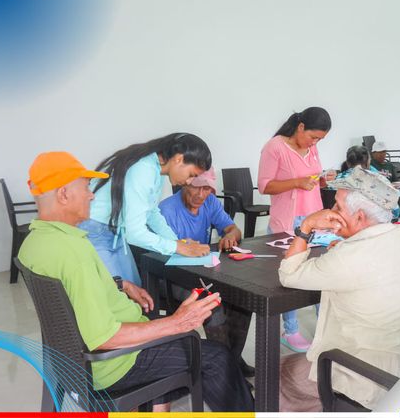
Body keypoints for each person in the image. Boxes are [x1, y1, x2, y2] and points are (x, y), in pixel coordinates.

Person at [18, 151, 254, 412]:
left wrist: (120, 285)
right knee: (216, 358)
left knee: (182, 341)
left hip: (71, 362)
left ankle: (157, 406)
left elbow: (71, 291)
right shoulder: (74, 253)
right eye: (86, 188)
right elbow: (104, 338)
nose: (92, 196)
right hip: (114, 364)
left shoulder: (34, 243)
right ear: (63, 194)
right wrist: (177, 322)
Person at [277, 167, 400, 412]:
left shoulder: (348, 256)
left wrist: (307, 225)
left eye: (338, 207)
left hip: (373, 375)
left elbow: (288, 274)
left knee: (279, 372)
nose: (331, 211)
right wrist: (345, 246)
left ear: (360, 216)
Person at [79, 133, 212, 286]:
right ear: (179, 159)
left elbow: (151, 212)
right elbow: (135, 233)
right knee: (117, 293)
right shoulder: (144, 168)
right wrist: (177, 247)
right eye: (191, 175)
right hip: (94, 232)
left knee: (135, 289)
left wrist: (176, 241)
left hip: (115, 233)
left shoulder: (157, 168)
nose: (189, 181)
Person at [159, 167, 254, 377]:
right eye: (196, 188)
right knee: (213, 305)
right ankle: (226, 371)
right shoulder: (167, 210)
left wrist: (230, 235)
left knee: (244, 300)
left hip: (202, 273)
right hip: (171, 275)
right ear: (185, 183)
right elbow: (162, 256)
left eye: (207, 188)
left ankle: (232, 362)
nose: (201, 195)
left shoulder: (210, 202)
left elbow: (233, 228)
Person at [258, 106, 335, 352]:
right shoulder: (274, 147)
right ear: (301, 127)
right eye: (313, 137)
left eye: (320, 140)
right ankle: (290, 330)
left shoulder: (312, 148)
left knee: (321, 272)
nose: (315, 143)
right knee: (289, 277)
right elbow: (264, 186)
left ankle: (325, 329)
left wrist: (322, 180)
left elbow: (312, 179)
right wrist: (296, 183)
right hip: (287, 222)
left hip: (314, 219)